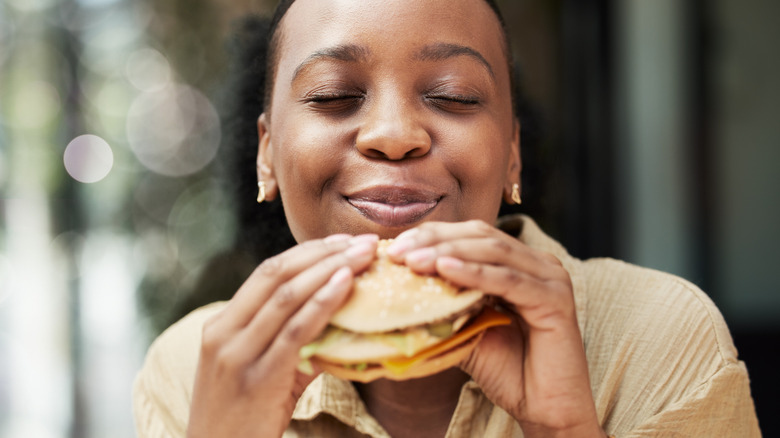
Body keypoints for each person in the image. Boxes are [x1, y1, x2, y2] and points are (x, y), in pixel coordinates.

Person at [132, 0, 761, 437]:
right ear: (267, 153)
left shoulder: (656, 337)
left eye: (453, 96)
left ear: (511, 150)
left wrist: (564, 429)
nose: (393, 135)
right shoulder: (191, 369)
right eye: (332, 96)